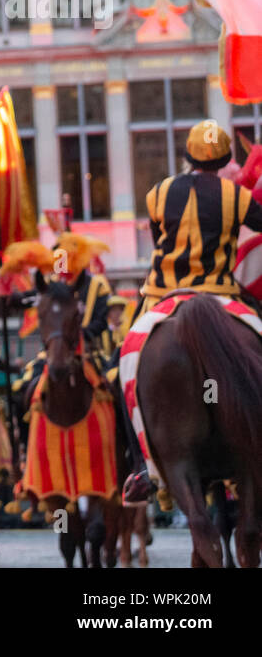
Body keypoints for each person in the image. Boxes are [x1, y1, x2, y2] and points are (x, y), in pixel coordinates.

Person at [122, 120, 262, 503]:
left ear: (187, 155)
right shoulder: (238, 196)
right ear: (224, 158)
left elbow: (158, 241)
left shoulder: (158, 193)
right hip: (222, 293)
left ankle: (139, 465)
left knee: (124, 366)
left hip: (162, 295)